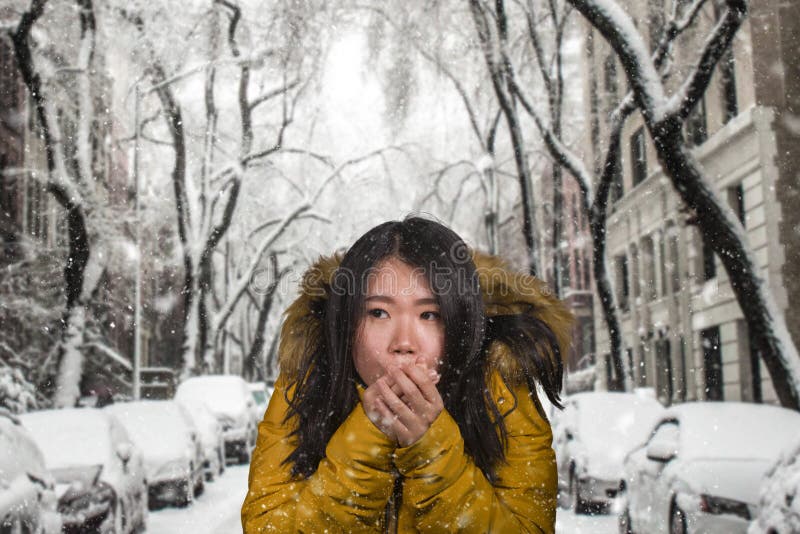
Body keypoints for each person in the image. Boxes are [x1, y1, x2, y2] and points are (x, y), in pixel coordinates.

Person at [242, 216, 573, 533]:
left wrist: (430, 450)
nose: (403, 343)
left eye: (429, 314)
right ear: (346, 325)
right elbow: (268, 525)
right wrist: (367, 439)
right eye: (379, 313)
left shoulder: (502, 394)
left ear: (461, 325)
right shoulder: (305, 387)